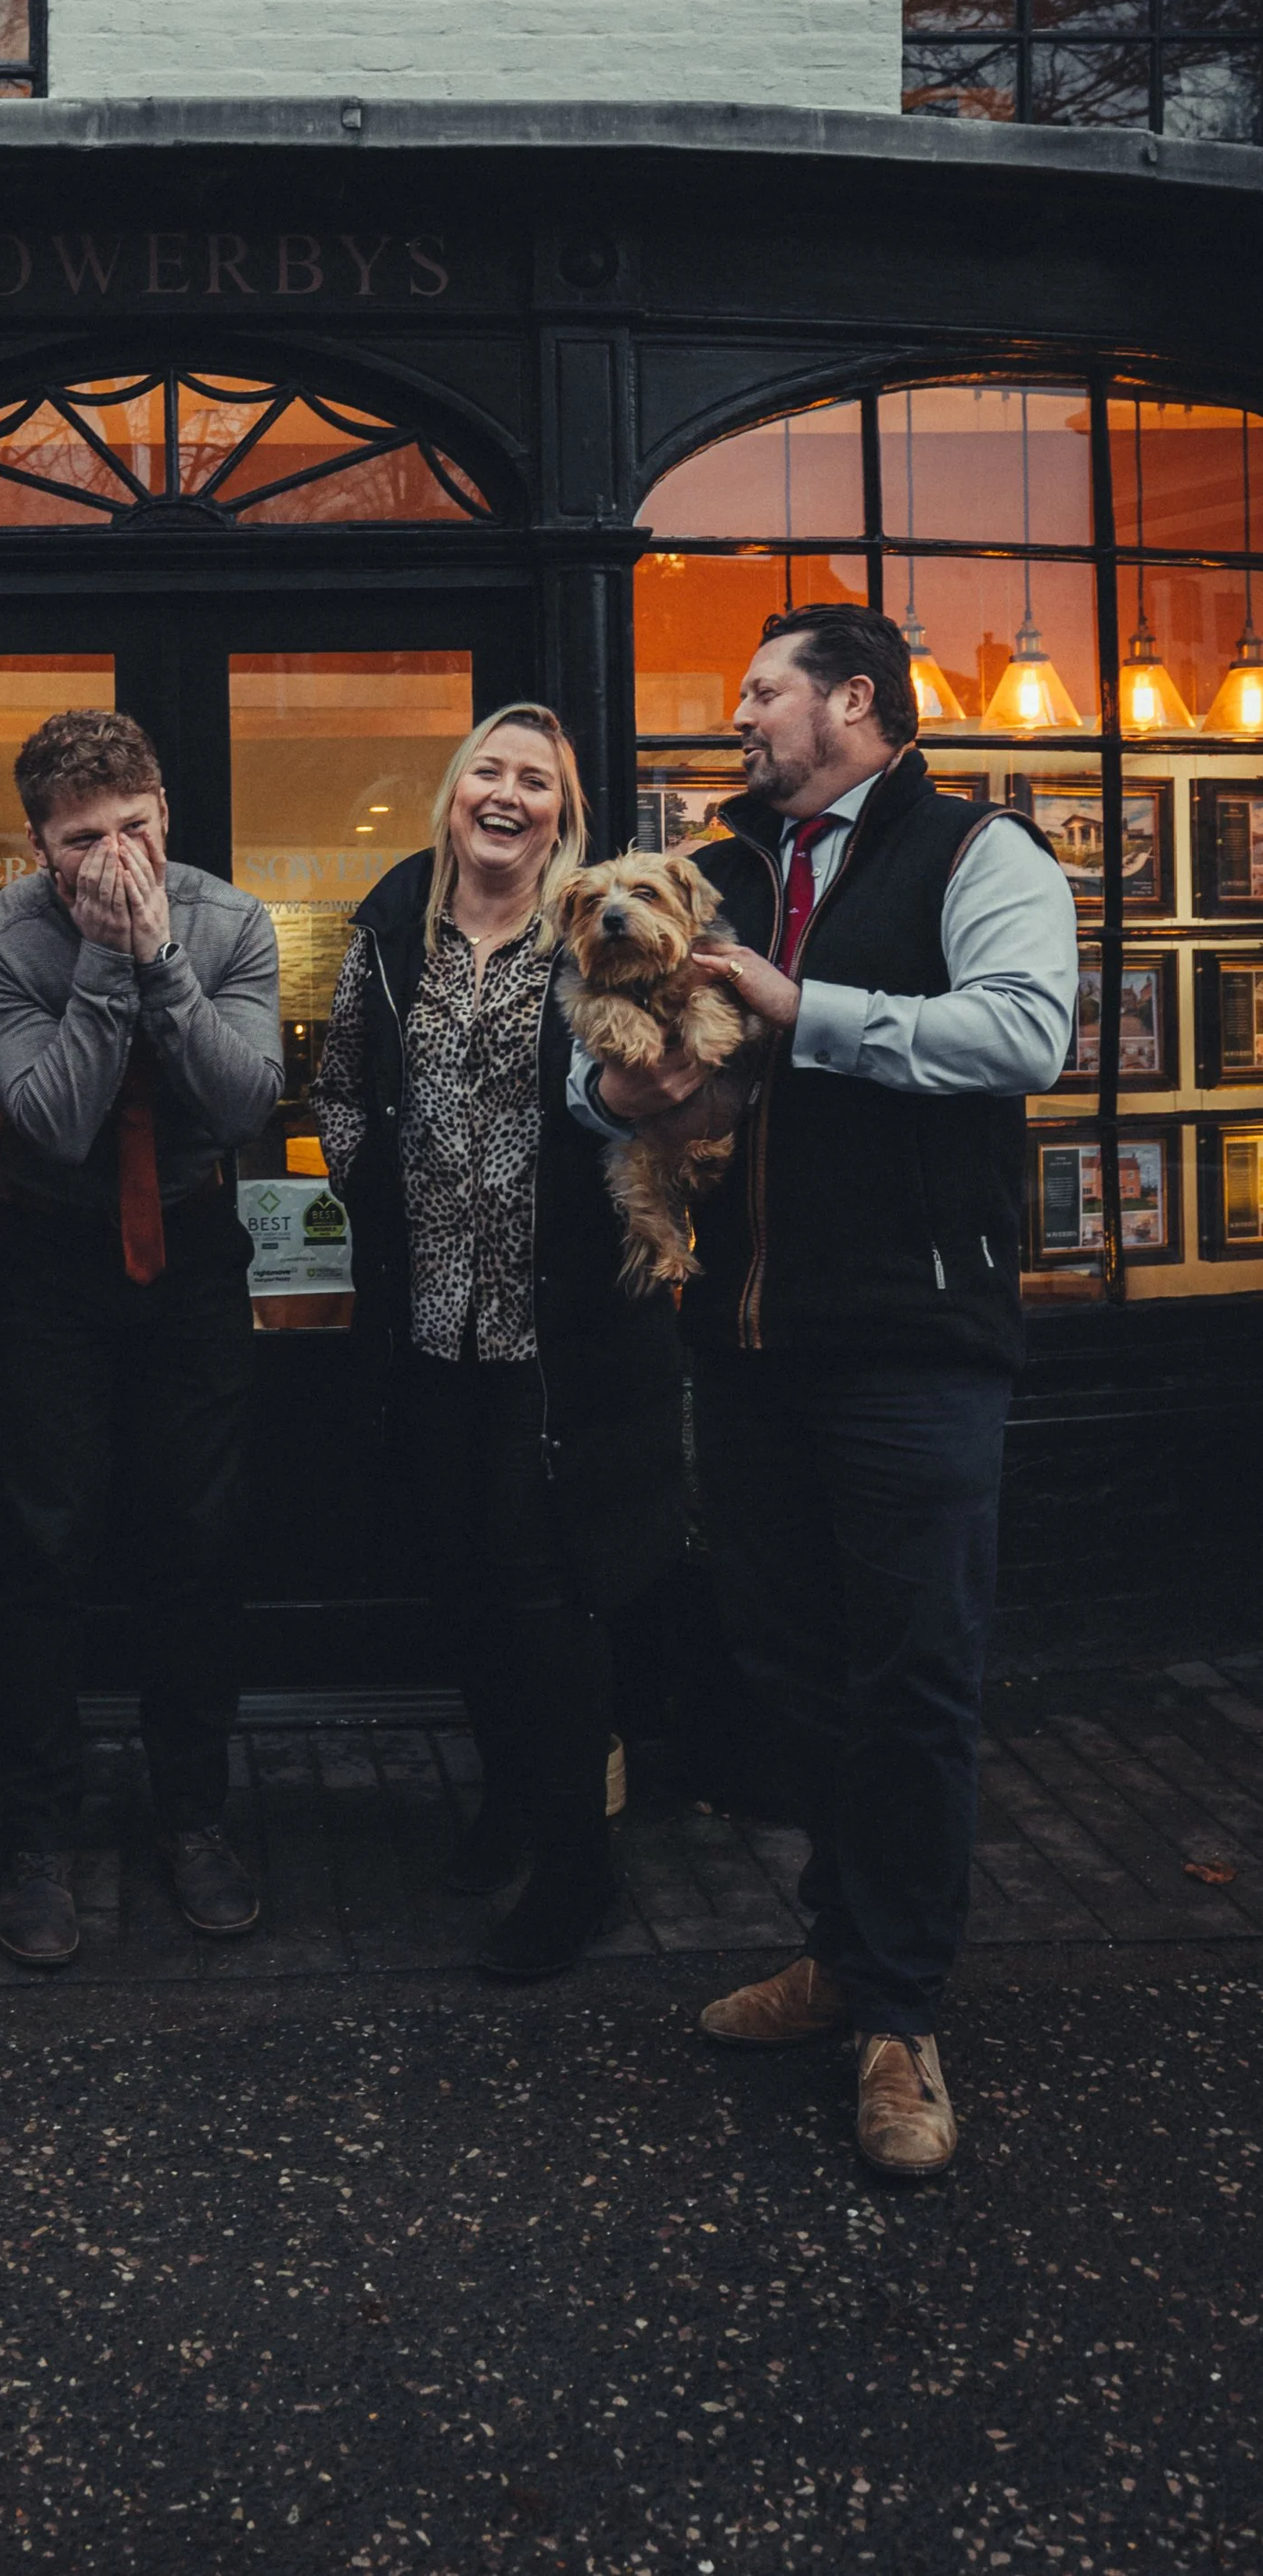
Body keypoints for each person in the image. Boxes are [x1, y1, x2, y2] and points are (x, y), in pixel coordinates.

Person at [588, 602, 1076, 2178]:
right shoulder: (719, 866)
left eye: (761, 692)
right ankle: (841, 1953)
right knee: (792, 1666)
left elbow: (1023, 1032)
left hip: (915, 1342)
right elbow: (605, 1033)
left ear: (852, 703)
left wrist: (812, 1014)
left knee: (915, 1678)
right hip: (742, 1340)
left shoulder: (977, 853)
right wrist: (612, 1086)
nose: (738, 718)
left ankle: (902, 2020)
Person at [313, 704, 684, 1980]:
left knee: (550, 1592)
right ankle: (512, 1800)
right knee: (463, 1575)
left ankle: (577, 1861)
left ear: (563, 815)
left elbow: (670, 1071)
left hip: (558, 1327)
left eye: (538, 779)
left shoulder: (593, 931)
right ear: (454, 788)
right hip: (426, 1318)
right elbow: (340, 1083)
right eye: (491, 769)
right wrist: (375, 1191)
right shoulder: (392, 922)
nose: (509, 794)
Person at [0, 709, 284, 1968]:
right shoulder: (0, 941)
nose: (117, 859)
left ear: (166, 811)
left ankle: (195, 1816)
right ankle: (37, 1834)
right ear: (40, 843)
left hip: (193, 1248)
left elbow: (244, 1098)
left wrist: (164, 963)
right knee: (44, 1542)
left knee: (196, 1537)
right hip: (51, 1248)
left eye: (136, 828)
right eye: (84, 839)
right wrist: (106, 962)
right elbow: (48, 1116)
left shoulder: (231, 919)